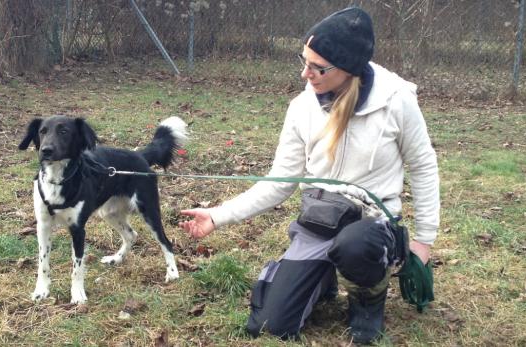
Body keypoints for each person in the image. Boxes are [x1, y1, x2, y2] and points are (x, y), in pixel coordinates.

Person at [179, 6, 439, 344]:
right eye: (303, 61)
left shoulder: (396, 100)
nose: (305, 74)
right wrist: (217, 215)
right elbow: (280, 182)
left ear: (348, 68)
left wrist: (424, 240)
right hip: (321, 219)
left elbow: (423, 165)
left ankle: (367, 300)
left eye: (317, 67)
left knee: (355, 246)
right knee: (271, 325)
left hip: (373, 223)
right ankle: (319, 277)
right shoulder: (302, 108)